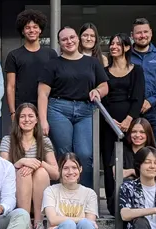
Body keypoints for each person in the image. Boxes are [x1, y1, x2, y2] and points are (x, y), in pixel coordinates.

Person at [38, 26, 109, 188]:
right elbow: (42, 94)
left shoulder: (92, 63)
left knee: (85, 154)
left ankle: (85, 194)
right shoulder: (53, 64)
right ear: (59, 43)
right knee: (64, 153)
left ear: (77, 39)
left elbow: (104, 86)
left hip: (86, 110)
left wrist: (98, 90)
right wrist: (43, 121)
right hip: (58, 109)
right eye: (64, 39)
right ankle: (63, 195)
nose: (68, 41)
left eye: (71, 37)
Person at [0, 103, 58, 229]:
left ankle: (38, 223)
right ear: (17, 120)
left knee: (42, 171)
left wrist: (38, 163)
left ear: (37, 119)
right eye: (23, 116)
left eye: (31, 116)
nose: (27, 120)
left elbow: (55, 173)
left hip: (39, 197)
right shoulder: (8, 140)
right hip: (16, 195)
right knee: (23, 172)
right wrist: (21, 162)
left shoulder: (44, 141)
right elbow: (1, 172)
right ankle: (25, 223)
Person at [101, 33, 145, 215]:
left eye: (118, 44)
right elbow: (102, 99)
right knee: (109, 160)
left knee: (132, 158)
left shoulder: (137, 70)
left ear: (127, 47)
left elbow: (138, 97)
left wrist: (128, 120)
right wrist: (112, 122)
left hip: (130, 123)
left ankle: (135, 200)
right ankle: (113, 204)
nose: (113, 47)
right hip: (108, 122)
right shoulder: (103, 71)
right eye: (111, 43)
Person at [131, 18, 156, 151]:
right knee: (132, 148)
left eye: (145, 32)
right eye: (138, 33)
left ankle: (155, 172)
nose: (142, 36)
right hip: (131, 110)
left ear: (151, 33)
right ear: (132, 35)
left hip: (155, 110)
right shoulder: (126, 56)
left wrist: (150, 101)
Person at [5, 9, 57, 113]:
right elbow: (11, 86)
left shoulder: (51, 54)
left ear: (40, 30)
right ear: (23, 31)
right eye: (27, 28)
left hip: (48, 107)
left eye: (35, 27)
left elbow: (56, 82)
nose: (31, 30)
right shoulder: (13, 55)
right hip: (22, 108)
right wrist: (12, 112)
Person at [111, 118, 156, 182]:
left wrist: (129, 173)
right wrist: (133, 171)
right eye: (134, 131)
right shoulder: (121, 150)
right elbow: (116, 174)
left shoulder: (153, 152)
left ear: (148, 134)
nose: (137, 135)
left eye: (142, 132)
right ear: (129, 133)